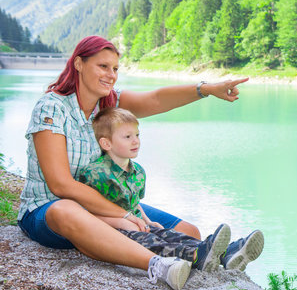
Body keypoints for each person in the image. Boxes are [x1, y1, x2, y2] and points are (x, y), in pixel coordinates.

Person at [16, 35, 258, 290]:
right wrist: (123, 215)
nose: (111, 74)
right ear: (78, 64)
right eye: (103, 66)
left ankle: (219, 256)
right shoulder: (52, 107)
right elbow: (60, 184)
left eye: (115, 68)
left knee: (190, 230)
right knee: (65, 209)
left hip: (102, 204)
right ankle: (158, 265)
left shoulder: (107, 105)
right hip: (46, 211)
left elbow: (154, 100)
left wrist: (205, 90)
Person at [78, 106, 263, 274]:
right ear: (106, 144)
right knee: (154, 243)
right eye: (127, 137)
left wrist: (148, 220)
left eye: (137, 135)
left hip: (138, 223)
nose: (135, 141)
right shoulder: (96, 173)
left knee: (170, 234)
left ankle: (226, 254)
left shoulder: (138, 172)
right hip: (113, 231)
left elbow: (134, 202)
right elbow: (86, 212)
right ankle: (197, 256)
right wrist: (122, 222)